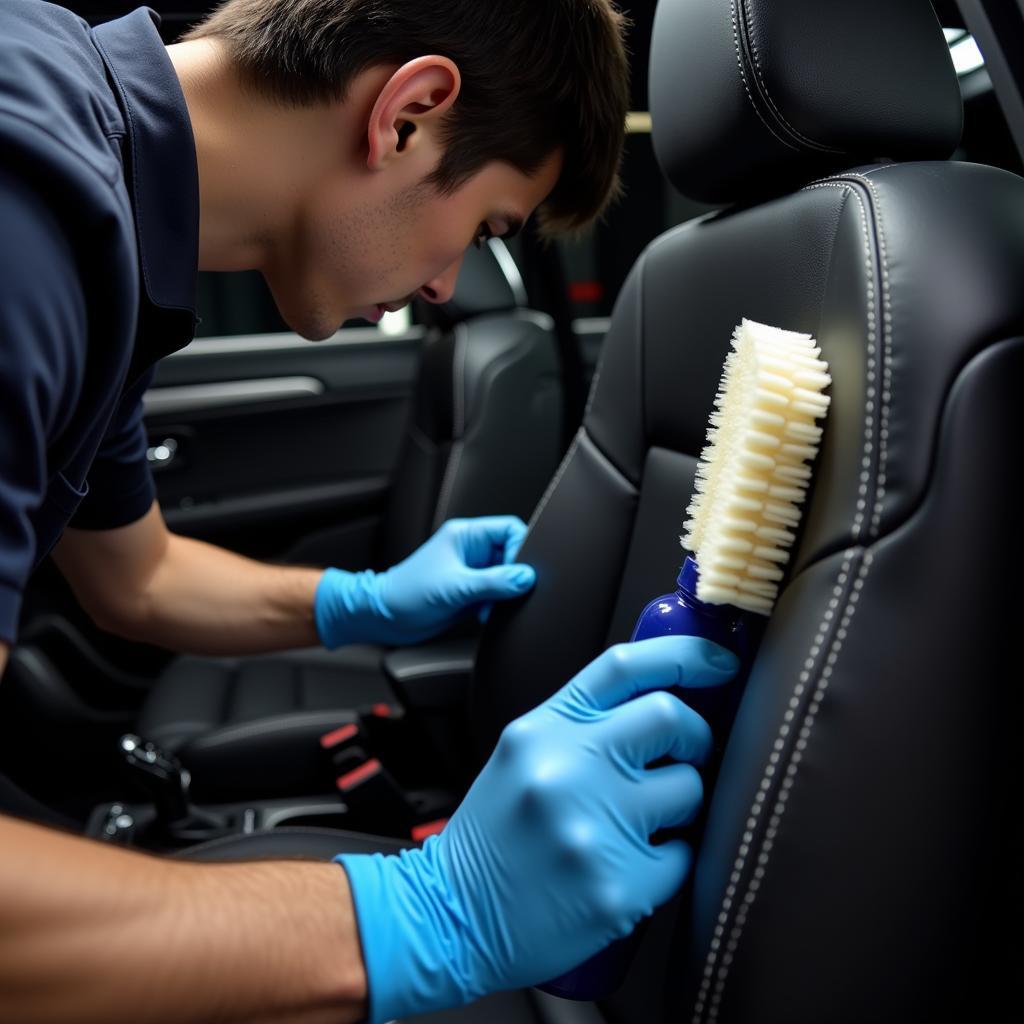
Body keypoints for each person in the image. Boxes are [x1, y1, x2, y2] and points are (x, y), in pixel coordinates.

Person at [0, 1, 739, 1020]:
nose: (444, 284)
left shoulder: (100, 218)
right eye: (483, 229)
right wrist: (427, 915)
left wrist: (360, 598)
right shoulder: (25, 209)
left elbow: (137, 576)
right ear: (410, 116)